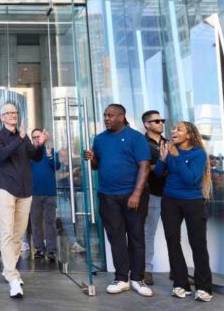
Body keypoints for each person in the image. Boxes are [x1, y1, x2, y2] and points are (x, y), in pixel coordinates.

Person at [83, 104, 152, 297]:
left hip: (133, 195)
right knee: (116, 238)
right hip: (108, 196)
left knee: (136, 236)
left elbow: (145, 166)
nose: (107, 118)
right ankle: (121, 278)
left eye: (111, 115)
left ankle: (137, 278)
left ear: (121, 117)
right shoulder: (99, 139)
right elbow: (97, 165)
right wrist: (92, 158)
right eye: (105, 115)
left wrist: (136, 194)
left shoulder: (135, 137)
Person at [0, 102, 47, 298]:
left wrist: (40, 145)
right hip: (6, 188)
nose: (13, 115)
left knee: (18, 234)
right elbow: (0, 155)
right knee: (6, 232)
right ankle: (13, 278)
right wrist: (19, 139)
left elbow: (35, 157)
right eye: (9, 113)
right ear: (2, 117)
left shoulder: (23, 136)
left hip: (25, 190)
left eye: (15, 112)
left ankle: (9, 269)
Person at [154, 121, 213, 302]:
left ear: (189, 135)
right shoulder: (171, 151)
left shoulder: (198, 154)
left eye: (179, 129)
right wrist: (162, 159)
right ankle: (180, 284)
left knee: (198, 243)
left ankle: (204, 287)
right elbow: (157, 174)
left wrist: (176, 156)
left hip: (193, 201)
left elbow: (190, 179)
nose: (174, 131)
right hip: (170, 200)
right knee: (172, 240)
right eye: (174, 129)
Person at [140, 110, 167, 285]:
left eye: (162, 120)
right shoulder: (141, 143)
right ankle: (146, 270)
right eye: (157, 121)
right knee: (148, 233)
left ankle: (177, 271)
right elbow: (140, 167)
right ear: (147, 124)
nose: (161, 123)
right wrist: (160, 165)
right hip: (152, 194)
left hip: (171, 193)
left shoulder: (168, 143)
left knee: (173, 235)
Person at [30, 129, 60, 261]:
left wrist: (49, 156)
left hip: (50, 193)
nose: (37, 139)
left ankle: (51, 250)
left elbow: (57, 166)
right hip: (34, 194)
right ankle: (39, 249)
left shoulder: (51, 151)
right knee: (36, 222)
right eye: (34, 137)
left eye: (39, 136)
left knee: (50, 222)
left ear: (44, 137)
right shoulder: (30, 153)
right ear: (32, 139)